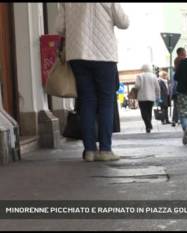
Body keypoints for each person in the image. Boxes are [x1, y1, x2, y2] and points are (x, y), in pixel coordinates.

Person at [55, 3, 129, 162]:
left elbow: (59, 27)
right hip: (104, 56)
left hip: (77, 53)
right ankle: (105, 150)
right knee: (106, 102)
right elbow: (124, 22)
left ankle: (89, 150)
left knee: (87, 101)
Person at [134, 64, 161, 133]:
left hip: (142, 97)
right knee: (149, 111)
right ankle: (148, 126)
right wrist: (158, 96)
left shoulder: (139, 76)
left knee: (144, 112)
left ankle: (148, 125)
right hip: (151, 97)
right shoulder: (153, 76)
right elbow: (157, 88)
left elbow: (137, 86)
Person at [171, 47, 187, 127]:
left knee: (177, 106)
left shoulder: (174, 72)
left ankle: (175, 120)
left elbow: (173, 83)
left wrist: (172, 93)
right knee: (183, 107)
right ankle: (182, 122)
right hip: (182, 90)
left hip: (176, 91)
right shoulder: (182, 61)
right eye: (185, 52)